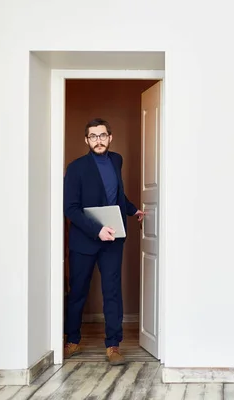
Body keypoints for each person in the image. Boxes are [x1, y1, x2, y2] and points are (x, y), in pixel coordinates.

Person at [63, 118, 144, 365]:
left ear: (110, 137)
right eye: (93, 136)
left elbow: (117, 195)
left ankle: (113, 345)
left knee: (112, 293)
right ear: (86, 140)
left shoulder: (117, 160)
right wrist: (97, 230)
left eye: (102, 135)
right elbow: (71, 208)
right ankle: (72, 339)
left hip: (113, 239)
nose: (98, 140)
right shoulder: (76, 167)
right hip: (84, 240)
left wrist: (132, 210)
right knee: (77, 292)